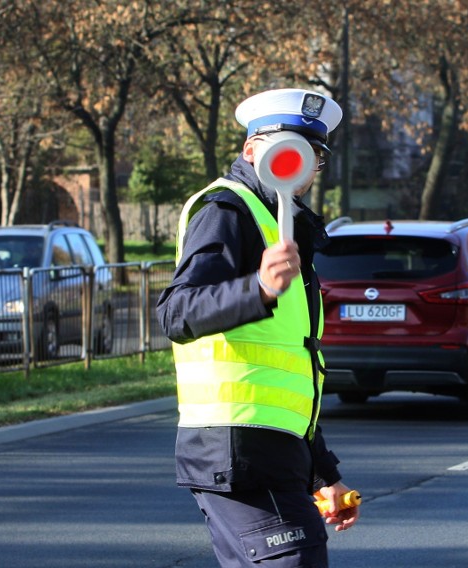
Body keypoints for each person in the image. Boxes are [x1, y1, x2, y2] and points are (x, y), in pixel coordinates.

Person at [157, 88, 360, 567]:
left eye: (315, 154)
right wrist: (258, 289)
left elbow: (290, 374)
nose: (305, 164)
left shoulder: (285, 226)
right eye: (292, 148)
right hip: (235, 449)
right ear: (253, 151)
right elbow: (176, 312)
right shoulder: (226, 211)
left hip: (273, 449)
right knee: (297, 559)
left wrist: (324, 474)